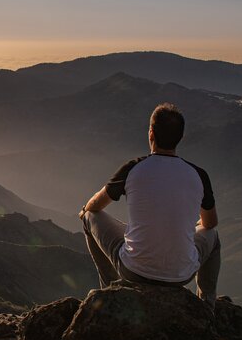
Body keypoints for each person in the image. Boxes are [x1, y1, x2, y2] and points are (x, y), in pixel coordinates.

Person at [79, 103, 220, 308]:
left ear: (151, 133)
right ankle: (207, 305)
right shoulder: (199, 175)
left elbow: (95, 206)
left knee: (87, 217)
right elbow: (211, 223)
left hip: (133, 271)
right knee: (213, 237)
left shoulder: (134, 168)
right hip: (181, 275)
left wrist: (85, 209)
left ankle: (111, 292)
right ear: (181, 137)